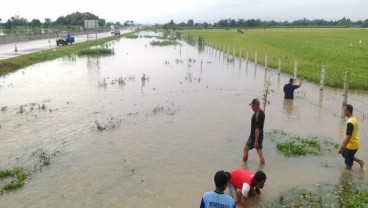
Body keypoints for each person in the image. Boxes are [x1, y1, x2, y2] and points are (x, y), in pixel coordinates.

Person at [338, 104, 365, 170]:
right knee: (344, 154)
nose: (343, 112)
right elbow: (349, 135)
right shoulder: (353, 118)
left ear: (348, 111)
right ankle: (360, 161)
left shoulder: (350, 122)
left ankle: (349, 177)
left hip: (352, 145)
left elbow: (349, 136)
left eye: (344, 110)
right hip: (353, 143)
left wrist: (342, 147)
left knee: (348, 167)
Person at [243, 98, 266, 165]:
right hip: (260, 136)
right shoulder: (262, 112)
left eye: (252, 106)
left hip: (254, 137)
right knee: (260, 152)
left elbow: (257, 129)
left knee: (245, 149)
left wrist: (256, 141)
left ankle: (244, 166)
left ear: (256, 106)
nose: (251, 107)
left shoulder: (257, 115)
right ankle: (262, 168)